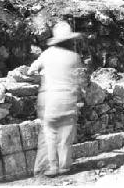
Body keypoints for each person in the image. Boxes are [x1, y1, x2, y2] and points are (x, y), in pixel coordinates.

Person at [27, 21, 83, 177]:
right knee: (65, 137)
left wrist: (34, 71)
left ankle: (53, 167)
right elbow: (79, 79)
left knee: (50, 134)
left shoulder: (47, 54)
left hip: (51, 101)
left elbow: (32, 69)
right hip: (69, 101)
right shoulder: (75, 57)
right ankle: (65, 167)